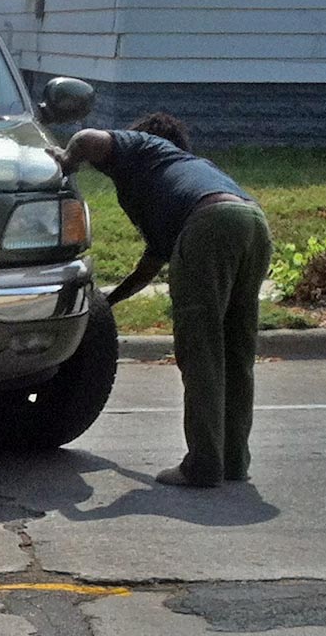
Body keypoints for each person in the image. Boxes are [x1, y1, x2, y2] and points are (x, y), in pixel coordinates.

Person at [47, 113, 272, 487]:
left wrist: (66, 163)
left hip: (209, 225)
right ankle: (233, 459)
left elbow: (86, 139)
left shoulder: (146, 146)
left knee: (200, 349)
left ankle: (202, 464)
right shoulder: (182, 178)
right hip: (252, 223)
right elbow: (149, 266)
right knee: (236, 350)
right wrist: (107, 302)